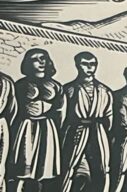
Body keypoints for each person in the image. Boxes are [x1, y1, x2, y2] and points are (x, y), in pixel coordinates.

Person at [59, 51, 113, 192]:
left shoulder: (104, 90)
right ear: (77, 65)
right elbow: (62, 117)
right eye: (85, 63)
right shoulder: (69, 89)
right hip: (76, 133)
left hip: (98, 135)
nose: (89, 67)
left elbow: (109, 118)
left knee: (99, 170)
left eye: (92, 64)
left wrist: (101, 132)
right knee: (73, 169)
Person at [10, 49, 63, 192]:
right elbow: (15, 110)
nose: (41, 62)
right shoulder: (20, 85)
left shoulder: (56, 86)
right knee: (23, 167)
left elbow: (60, 111)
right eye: (35, 59)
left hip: (48, 128)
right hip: (26, 127)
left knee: (45, 169)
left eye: (43, 58)